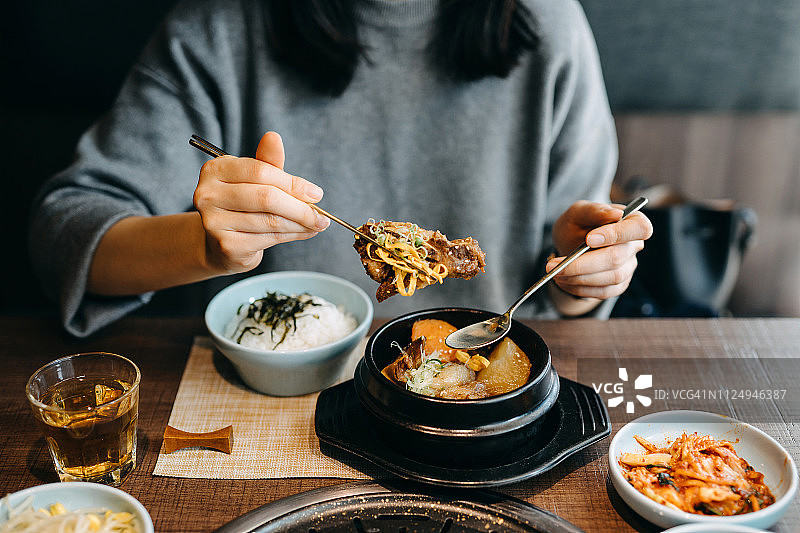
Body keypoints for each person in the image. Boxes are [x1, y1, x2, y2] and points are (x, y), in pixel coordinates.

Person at [29, 0, 652, 337]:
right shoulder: (220, 26)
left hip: (483, 390)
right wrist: (205, 246)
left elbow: (566, 302)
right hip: (273, 400)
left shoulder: (548, 25)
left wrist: (582, 275)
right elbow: (64, 235)